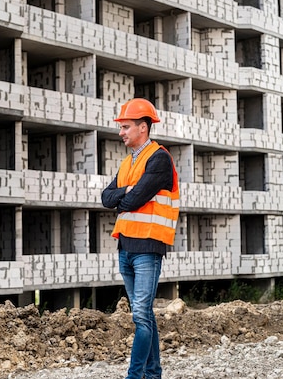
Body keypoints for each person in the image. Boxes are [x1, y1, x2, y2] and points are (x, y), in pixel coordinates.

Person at [101, 97, 180, 379]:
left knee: (141, 317)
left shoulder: (159, 159)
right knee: (144, 315)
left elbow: (134, 199)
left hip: (148, 246)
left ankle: (135, 376)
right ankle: (154, 373)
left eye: (125, 127)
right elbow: (106, 198)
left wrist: (125, 194)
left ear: (143, 127)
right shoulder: (126, 163)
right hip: (126, 246)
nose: (121, 132)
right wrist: (126, 193)